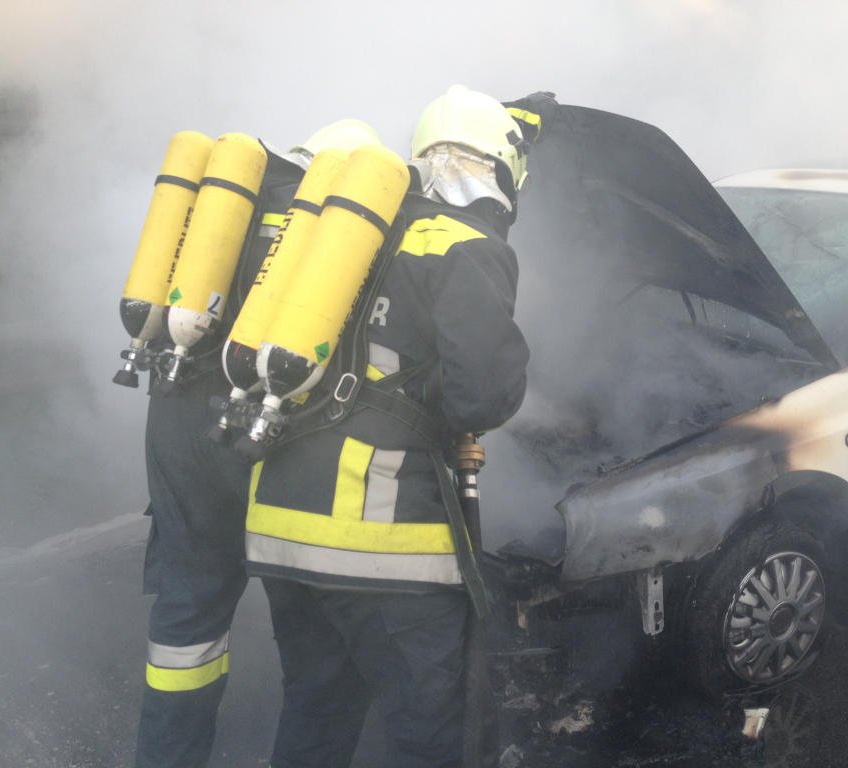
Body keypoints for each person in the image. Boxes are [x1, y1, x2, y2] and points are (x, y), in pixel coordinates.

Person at [244, 85, 548, 768]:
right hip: (379, 546)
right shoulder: (465, 245)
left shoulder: (355, 233)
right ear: (500, 168)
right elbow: (484, 395)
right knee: (427, 733)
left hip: (279, 527)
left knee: (316, 715)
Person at [133, 120, 383, 768]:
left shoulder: (223, 202)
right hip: (277, 448)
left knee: (185, 637)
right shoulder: (349, 229)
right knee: (320, 646)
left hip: (180, 438)